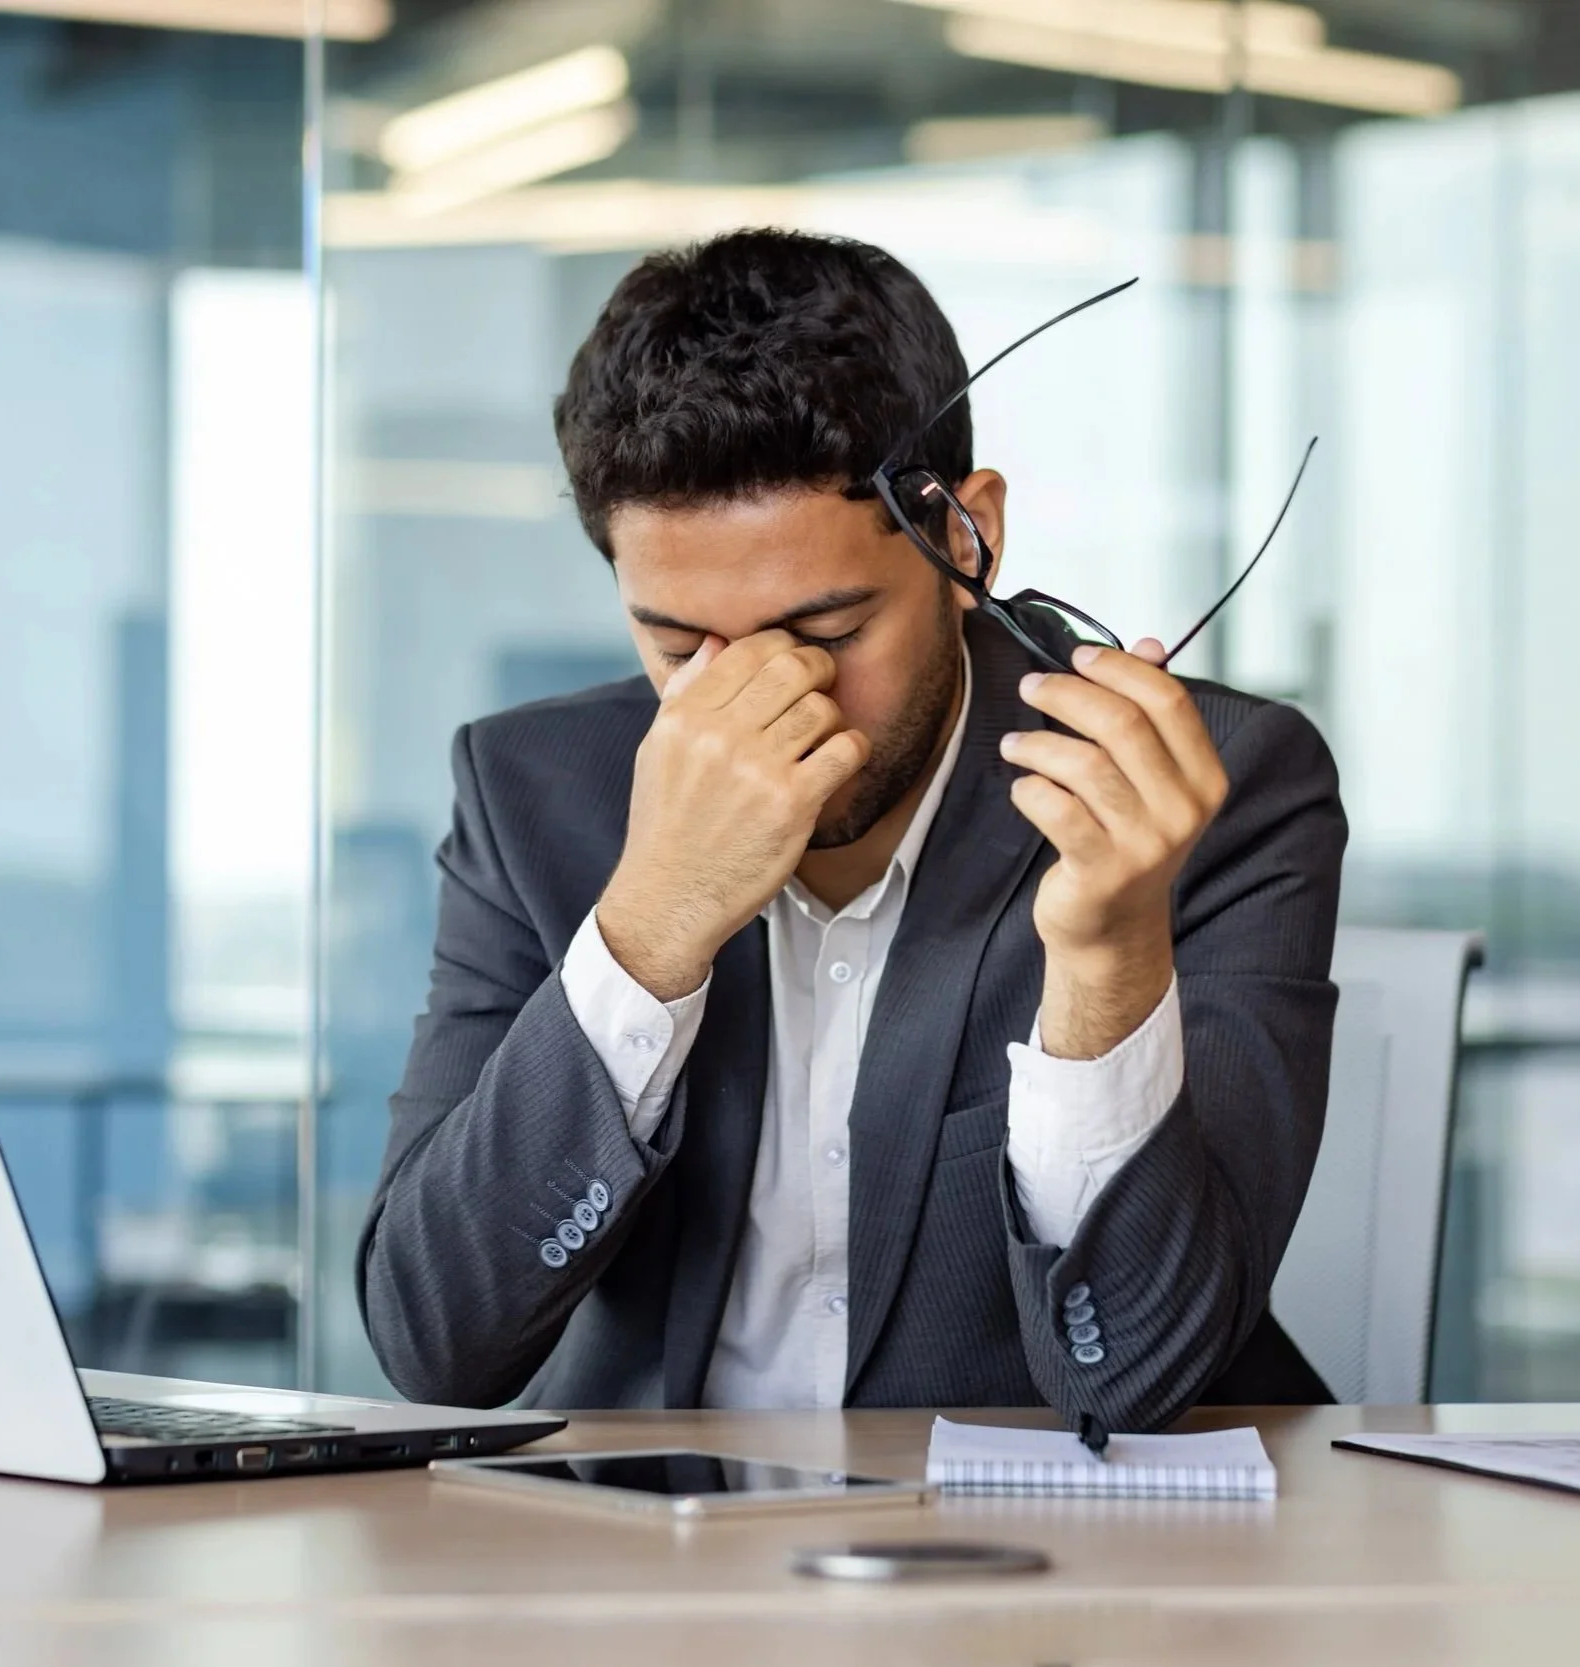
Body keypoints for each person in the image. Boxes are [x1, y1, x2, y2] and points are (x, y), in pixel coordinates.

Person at [357, 229, 1347, 1432]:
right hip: (652, 1570)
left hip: (1029, 1574)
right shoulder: (532, 791)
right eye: (678, 647)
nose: (758, 704)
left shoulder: (1208, 787)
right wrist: (651, 925)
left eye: (824, 633)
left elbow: (1129, 1380)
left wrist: (1106, 966)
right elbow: (434, 1341)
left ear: (964, 535)